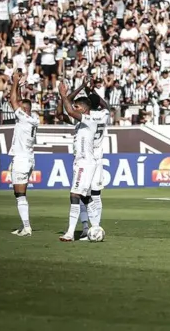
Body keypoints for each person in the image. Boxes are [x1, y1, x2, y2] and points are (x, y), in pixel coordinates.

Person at [57, 81, 101, 242]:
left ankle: (69, 233)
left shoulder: (89, 121)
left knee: (74, 195)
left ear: (83, 109)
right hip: (80, 162)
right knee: (85, 197)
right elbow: (60, 114)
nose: (73, 110)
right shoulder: (79, 123)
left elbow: (68, 109)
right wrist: (63, 97)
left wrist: (63, 94)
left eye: (77, 108)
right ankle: (96, 227)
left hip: (85, 162)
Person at [7, 70, 39, 237]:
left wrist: (14, 81)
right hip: (28, 158)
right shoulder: (32, 119)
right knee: (20, 194)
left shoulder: (23, 118)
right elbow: (17, 100)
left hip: (21, 159)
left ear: (23, 109)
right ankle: (24, 225)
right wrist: (19, 86)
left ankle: (26, 228)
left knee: (20, 195)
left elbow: (13, 101)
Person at [78, 83, 111, 240]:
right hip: (99, 157)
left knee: (83, 194)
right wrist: (93, 91)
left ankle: (88, 227)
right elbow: (107, 105)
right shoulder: (104, 114)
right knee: (96, 195)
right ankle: (95, 226)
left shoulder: (87, 117)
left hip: (87, 157)